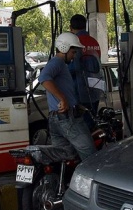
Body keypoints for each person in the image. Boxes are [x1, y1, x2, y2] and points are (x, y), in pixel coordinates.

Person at [38, 32, 97, 161]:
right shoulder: (58, 62)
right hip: (67, 119)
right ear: (64, 48)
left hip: (55, 119)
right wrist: (63, 99)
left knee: (65, 157)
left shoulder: (59, 64)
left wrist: (73, 101)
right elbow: (43, 78)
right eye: (73, 52)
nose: (74, 56)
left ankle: (61, 181)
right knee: (90, 156)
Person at [68, 14, 103, 129]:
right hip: (95, 91)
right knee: (92, 123)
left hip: (79, 93)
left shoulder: (74, 43)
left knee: (81, 128)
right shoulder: (94, 42)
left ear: (70, 28)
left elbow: (72, 68)